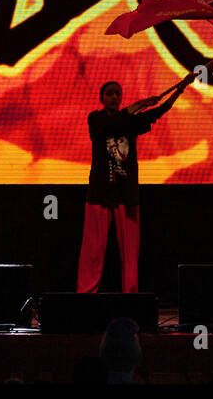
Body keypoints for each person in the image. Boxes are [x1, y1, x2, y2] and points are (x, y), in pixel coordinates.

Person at [77, 71, 197, 293]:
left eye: (118, 93)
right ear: (101, 98)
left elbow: (158, 112)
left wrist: (180, 88)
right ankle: (85, 295)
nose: (114, 97)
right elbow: (114, 122)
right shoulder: (95, 119)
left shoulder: (130, 121)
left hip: (126, 192)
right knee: (93, 249)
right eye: (110, 93)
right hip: (100, 192)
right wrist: (141, 103)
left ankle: (130, 295)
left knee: (130, 251)